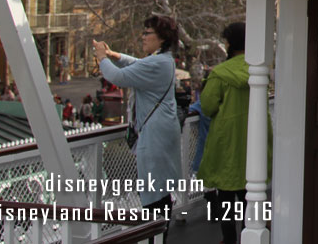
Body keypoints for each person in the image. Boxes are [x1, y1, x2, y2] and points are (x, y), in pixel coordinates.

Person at [94, 17, 182, 234]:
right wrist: (116, 56)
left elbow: (118, 77)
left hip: (155, 133)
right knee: (160, 188)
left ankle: (155, 234)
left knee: (153, 189)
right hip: (163, 128)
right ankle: (161, 231)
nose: (143, 37)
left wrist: (102, 58)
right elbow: (137, 64)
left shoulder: (158, 63)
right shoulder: (163, 60)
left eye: (147, 33)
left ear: (162, 38)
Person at [198, 22, 271, 244]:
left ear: (230, 43)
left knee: (227, 196)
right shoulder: (260, 67)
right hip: (255, 136)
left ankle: (229, 239)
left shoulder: (220, 73)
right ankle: (252, 233)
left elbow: (208, 106)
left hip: (228, 139)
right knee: (253, 194)